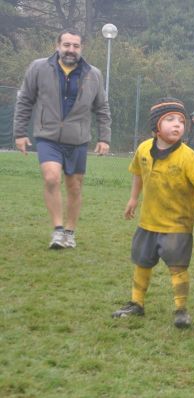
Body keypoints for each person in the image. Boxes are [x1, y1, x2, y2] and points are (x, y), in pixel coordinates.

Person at [112, 98, 194, 328]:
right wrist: (133, 198)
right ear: (156, 126)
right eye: (170, 119)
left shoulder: (188, 156)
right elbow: (138, 173)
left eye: (181, 120)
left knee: (177, 267)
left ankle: (181, 310)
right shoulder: (143, 149)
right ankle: (136, 303)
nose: (177, 124)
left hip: (177, 225)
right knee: (142, 262)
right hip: (147, 221)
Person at [12, 28, 111, 249]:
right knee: (51, 178)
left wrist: (105, 138)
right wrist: (19, 133)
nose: (71, 50)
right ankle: (57, 231)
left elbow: (102, 108)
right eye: (66, 45)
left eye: (75, 46)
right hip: (47, 136)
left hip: (78, 139)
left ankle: (69, 232)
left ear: (81, 48)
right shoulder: (39, 68)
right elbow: (25, 100)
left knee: (74, 187)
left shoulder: (93, 74)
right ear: (58, 45)